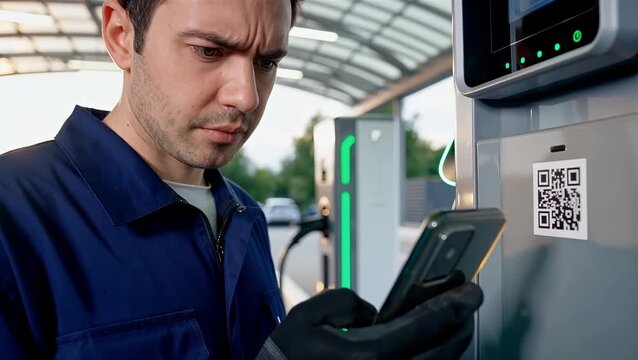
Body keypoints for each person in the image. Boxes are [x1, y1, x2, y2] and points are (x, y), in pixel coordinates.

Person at [0, 0, 483, 359]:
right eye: (209, 50)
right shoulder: (14, 219)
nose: (247, 95)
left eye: (267, 61)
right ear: (122, 36)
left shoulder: (243, 216)